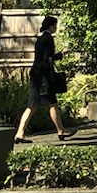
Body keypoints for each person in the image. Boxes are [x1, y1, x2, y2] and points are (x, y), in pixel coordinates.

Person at [14, 15, 71, 143]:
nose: (56, 27)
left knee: (32, 105)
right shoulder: (48, 38)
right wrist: (62, 54)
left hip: (35, 75)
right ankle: (61, 130)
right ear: (51, 26)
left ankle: (20, 133)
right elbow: (48, 58)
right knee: (52, 103)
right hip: (44, 77)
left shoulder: (40, 39)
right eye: (55, 25)